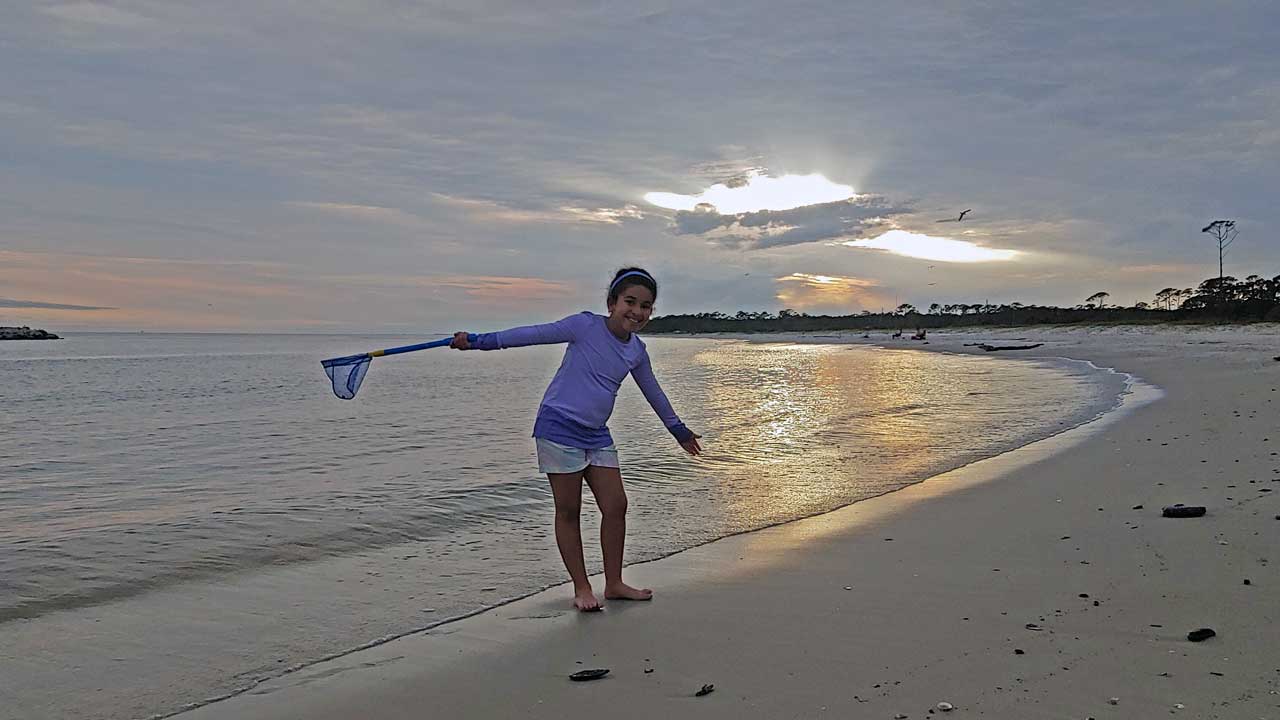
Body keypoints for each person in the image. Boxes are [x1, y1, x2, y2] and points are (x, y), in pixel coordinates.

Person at [450, 267, 702, 611]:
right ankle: (582, 588)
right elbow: (533, 334)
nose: (637, 312)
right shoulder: (584, 326)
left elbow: (652, 391)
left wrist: (679, 430)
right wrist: (479, 342)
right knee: (568, 510)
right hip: (558, 428)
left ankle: (613, 583)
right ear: (611, 303)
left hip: (596, 434)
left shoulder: (636, 351)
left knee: (616, 506)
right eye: (630, 302)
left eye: (646, 306)